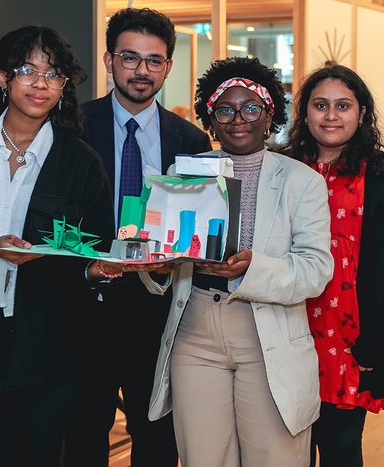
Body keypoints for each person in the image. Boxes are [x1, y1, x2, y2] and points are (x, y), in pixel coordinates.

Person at [0, 26, 114, 466]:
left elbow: (95, 246)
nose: (42, 84)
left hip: (50, 335)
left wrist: (95, 269)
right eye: (29, 70)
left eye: (54, 75)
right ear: (0, 75)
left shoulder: (80, 160)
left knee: (39, 456)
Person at [141, 56, 333, 467]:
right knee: (203, 457)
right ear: (211, 118)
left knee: (274, 457)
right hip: (194, 332)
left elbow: (315, 270)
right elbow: (162, 255)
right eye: (225, 109)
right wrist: (157, 263)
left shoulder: (302, 180)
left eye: (251, 108)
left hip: (268, 331)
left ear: (269, 116)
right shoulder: (185, 173)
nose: (238, 118)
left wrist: (252, 268)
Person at [63, 7, 211, 467]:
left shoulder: (191, 142)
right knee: (84, 432)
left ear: (167, 66)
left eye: (154, 60)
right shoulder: (71, 130)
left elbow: (202, 228)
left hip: (158, 309)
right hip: (84, 305)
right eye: (130, 58)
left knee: (157, 434)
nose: (141, 71)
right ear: (109, 61)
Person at [286, 64, 384, 467]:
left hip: (349, 336)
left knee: (341, 447)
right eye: (320, 105)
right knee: (288, 449)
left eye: (343, 106)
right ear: (304, 112)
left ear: (361, 113)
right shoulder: (283, 167)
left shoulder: (383, 172)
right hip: (287, 329)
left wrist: (373, 337)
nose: (331, 116)